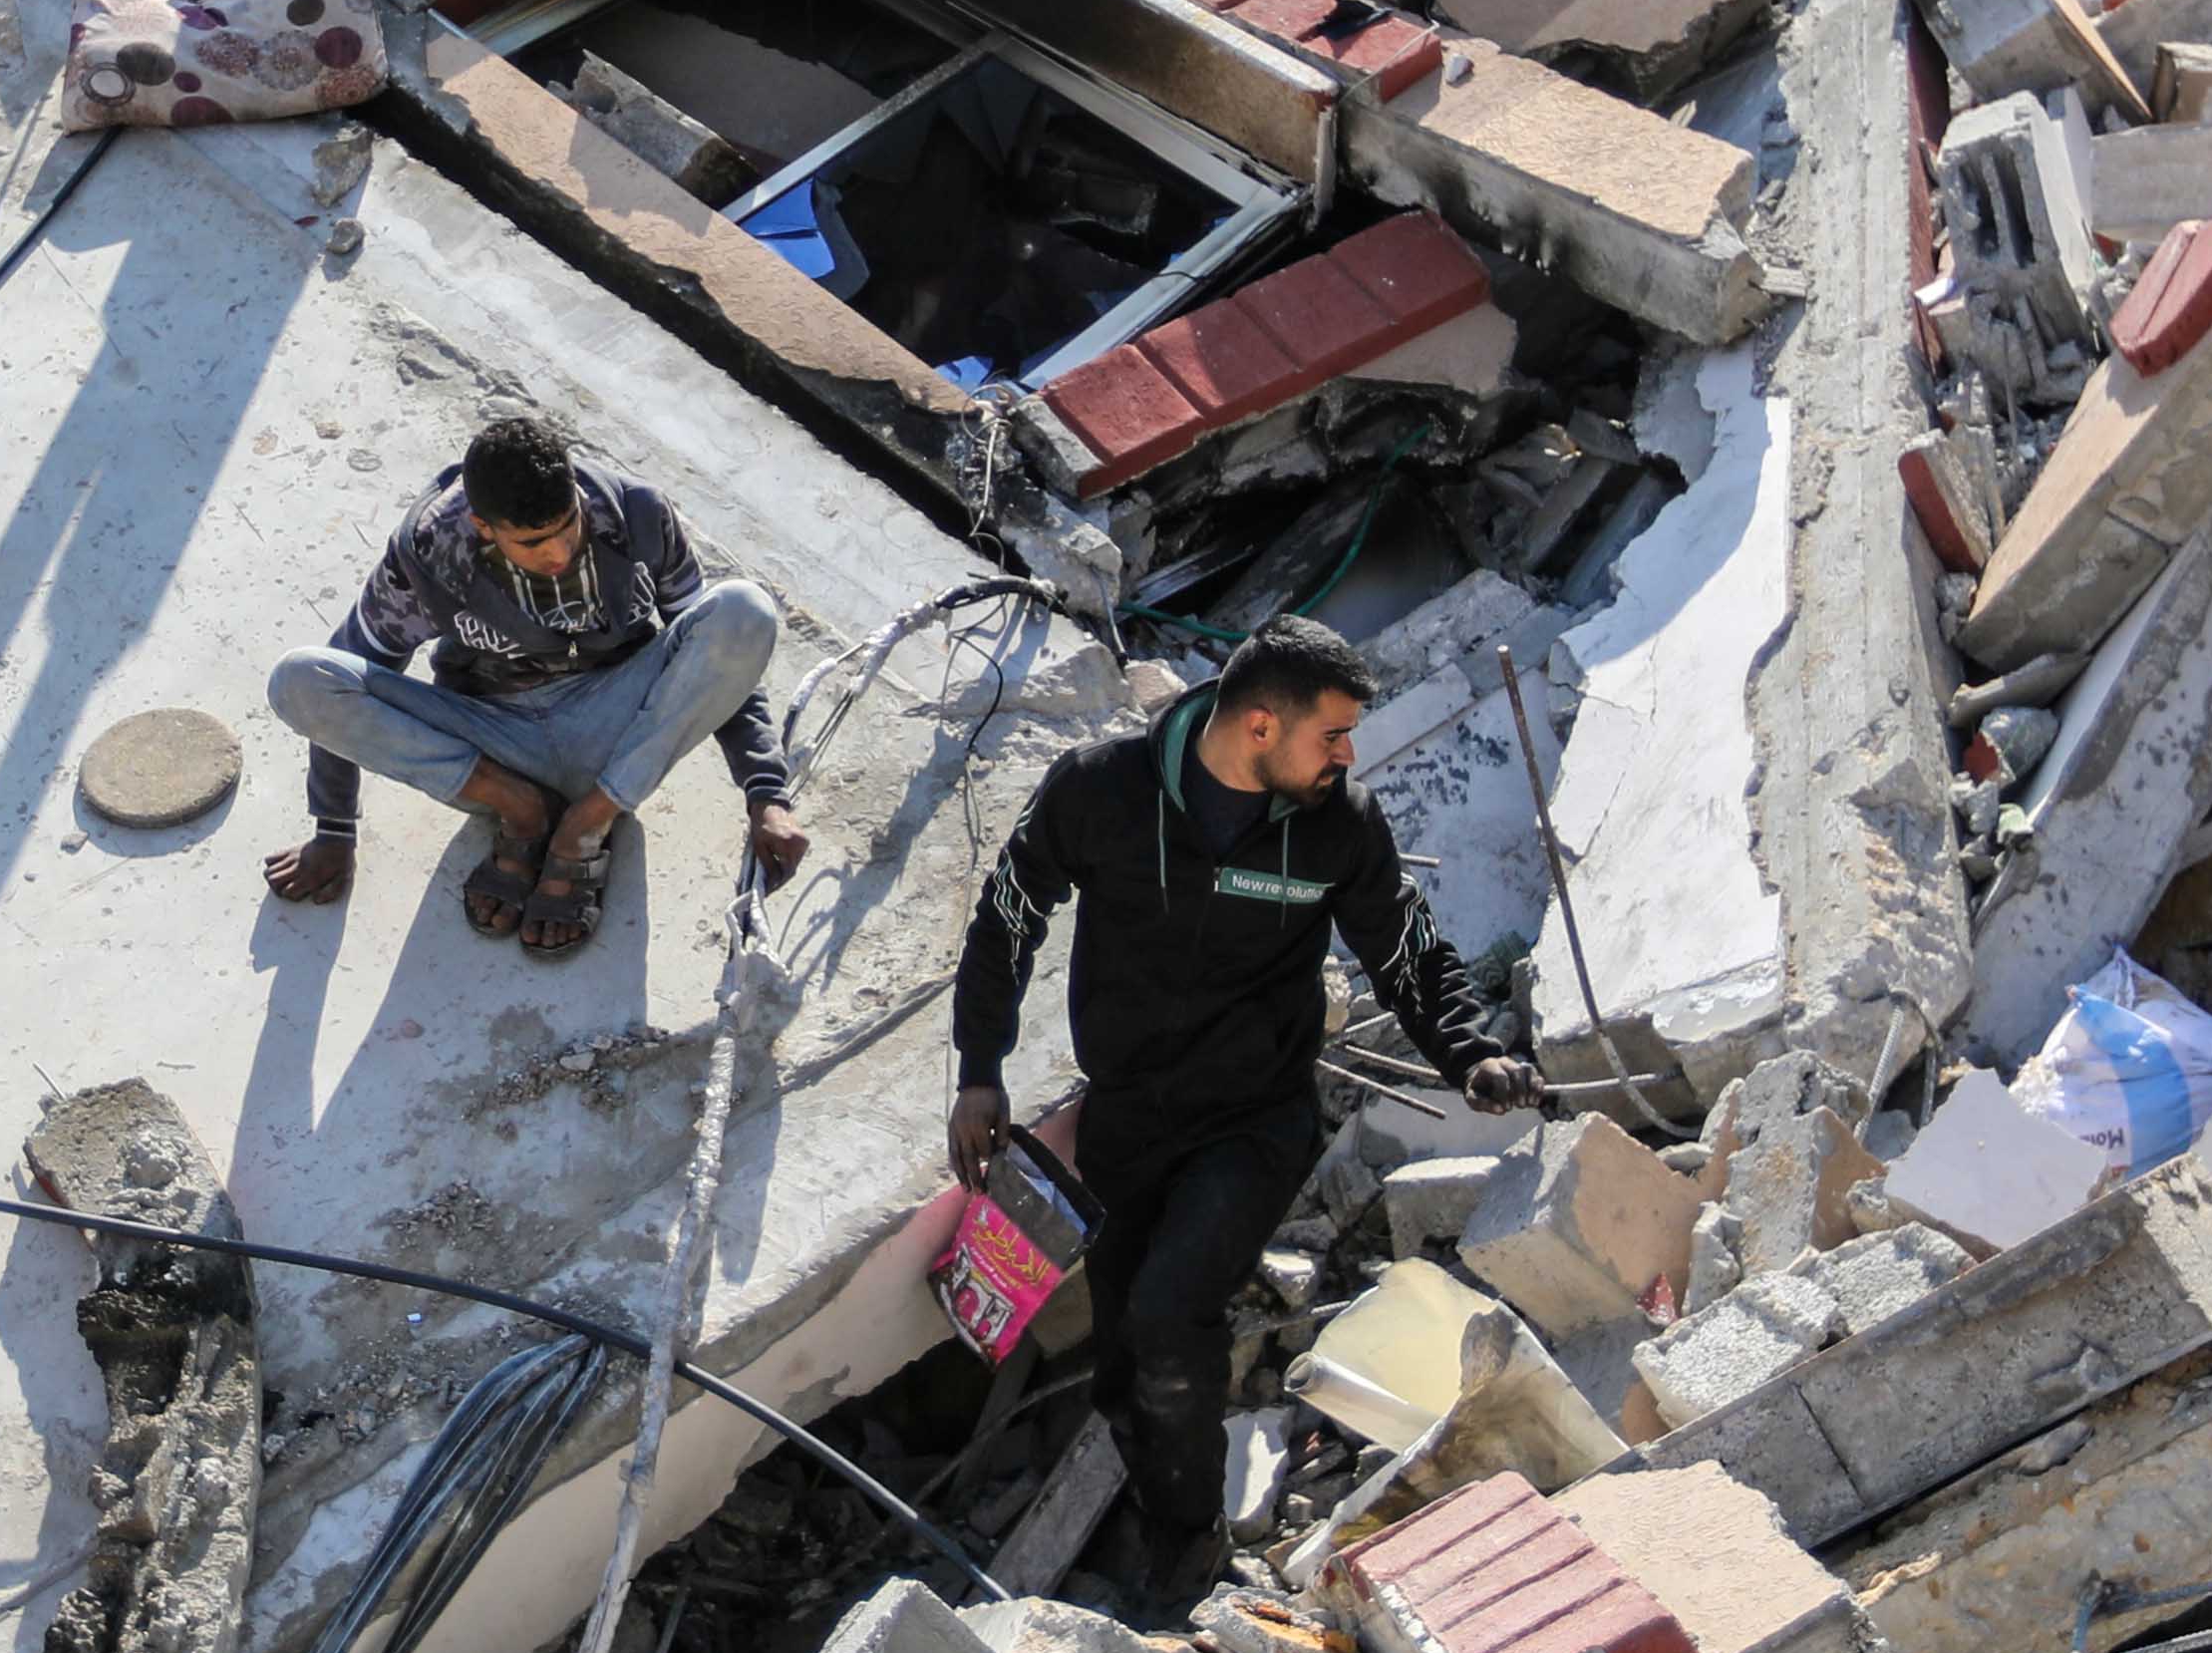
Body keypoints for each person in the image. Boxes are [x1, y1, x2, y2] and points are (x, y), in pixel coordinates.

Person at [951, 614, 1531, 1579]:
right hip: (1130, 1119)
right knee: (1125, 1372)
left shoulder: (1339, 825)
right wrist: (981, 1065)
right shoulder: (1104, 791)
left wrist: (1470, 1052)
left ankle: (1190, 1551)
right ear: (1261, 726)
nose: (1347, 756)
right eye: (1331, 734)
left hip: (1255, 1117)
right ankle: (1160, 1495)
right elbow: (1012, 906)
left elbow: (1406, 948)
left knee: (1175, 1318)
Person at [264, 417, 809, 957]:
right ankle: (522, 811)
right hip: (494, 743)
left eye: (567, 526)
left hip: (620, 731)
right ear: (483, 527)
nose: (558, 553)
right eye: (531, 543)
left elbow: (722, 653)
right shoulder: (430, 550)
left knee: (745, 609)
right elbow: (349, 670)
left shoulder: (638, 513)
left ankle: (587, 823)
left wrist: (767, 794)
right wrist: (333, 830)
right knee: (300, 678)